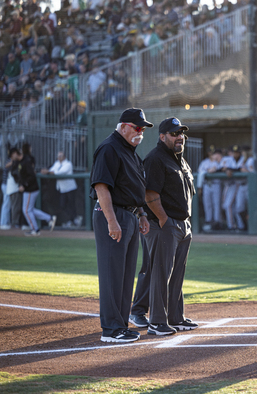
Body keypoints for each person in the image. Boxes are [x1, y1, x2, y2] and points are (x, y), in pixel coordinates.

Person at [89, 108, 152, 343]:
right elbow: (101, 187)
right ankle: (111, 329)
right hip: (113, 214)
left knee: (125, 276)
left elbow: (135, 188)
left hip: (131, 216)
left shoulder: (130, 151)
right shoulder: (109, 148)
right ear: (123, 126)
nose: (141, 132)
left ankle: (120, 325)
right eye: (137, 127)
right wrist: (112, 221)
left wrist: (142, 214)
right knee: (112, 274)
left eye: (143, 129)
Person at [141, 117, 198, 335]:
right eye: (174, 134)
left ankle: (176, 317)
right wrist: (164, 220)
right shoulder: (155, 158)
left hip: (182, 224)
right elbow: (149, 193)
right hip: (164, 225)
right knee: (161, 275)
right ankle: (156, 322)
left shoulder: (179, 159)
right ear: (162, 136)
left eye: (181, 133)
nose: (179, 137)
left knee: (177, 275)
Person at [18, 143, 56, 236]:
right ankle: (49, 218)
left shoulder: (27, 159)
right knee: (29, 209)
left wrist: (24, 184)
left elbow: (31, 174)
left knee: (26, 210)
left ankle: (35, 229)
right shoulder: (23, 160)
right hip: (30, 188)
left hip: (30, 188)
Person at [41, 151, 78, 228]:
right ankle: (70, 220)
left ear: (64, 156)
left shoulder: (68, 164)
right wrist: (48, 171)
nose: (59, 157)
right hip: (62, 188)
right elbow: (52, 169)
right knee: (62, 205)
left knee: (71, 205)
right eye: (58, 156)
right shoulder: (57, 163)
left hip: (70, 188)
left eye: (61, 156)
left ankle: (74, 220)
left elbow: (60, 172)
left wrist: (48, 171)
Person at [197, 146, 222, 231]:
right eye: (210, 152)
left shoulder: (218, 162)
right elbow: (200, 171)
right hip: (207, 185)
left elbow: (216, 169)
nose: (211, 154)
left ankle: (217, 222)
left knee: (216, 204)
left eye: (213, 152)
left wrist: (209, 170)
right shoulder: (204, 162)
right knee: (207, 204)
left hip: (216, 184)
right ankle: (208, 221)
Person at [221, 145, 245, 231]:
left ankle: (232, 226)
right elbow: (221, 168)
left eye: (237, 152)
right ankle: (238, 225)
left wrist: (229, 170)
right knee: (233, 207)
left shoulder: (243, 159)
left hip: (240, 185)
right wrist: (226, 169)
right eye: (234, 152)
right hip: (232, 185)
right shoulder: (230, 159)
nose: (235, 154)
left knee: (231, 206)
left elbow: (239, 169)